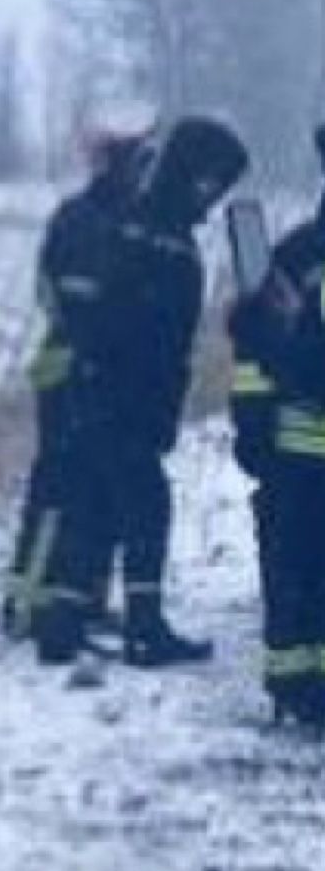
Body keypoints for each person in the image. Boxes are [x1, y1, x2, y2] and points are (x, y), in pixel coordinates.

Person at [19, 114, 244, 665]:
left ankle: (61, 619)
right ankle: (141, 625)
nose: (214, 200)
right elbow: (157, 339)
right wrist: (150, 407)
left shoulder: (127, 226)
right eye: (214, 185)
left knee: (90, 501)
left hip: (94, 389)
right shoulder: (160, 240)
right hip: (121, 397)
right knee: (142, 505)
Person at [235, 197, 325, 727]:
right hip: (296, 461)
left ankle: (300, 688)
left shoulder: (296, 257)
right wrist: (252, 429)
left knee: (298, 576)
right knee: (297, 577)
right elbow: (254, 354)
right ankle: (297, 686)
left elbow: (262, 351)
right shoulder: (296, 257)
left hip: (296, 462)